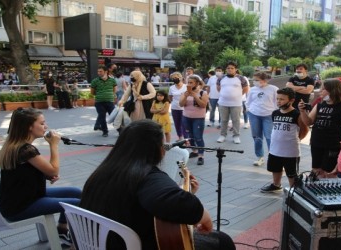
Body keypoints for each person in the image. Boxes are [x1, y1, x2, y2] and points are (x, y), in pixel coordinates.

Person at [79, 119, 235, 250]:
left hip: (96, 243)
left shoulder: (103, 171)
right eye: (163, 145)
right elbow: (175, 201)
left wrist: (188, 194)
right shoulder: (147, 176)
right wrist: (203, 215)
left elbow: (143, 204)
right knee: (222, 241)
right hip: (131, 244)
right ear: (156, 149)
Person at [0, 108, 81, 246]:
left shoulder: (14, 145)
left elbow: (24, 172)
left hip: (21, 198)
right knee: (77, 204)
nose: (46, 127)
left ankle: (61, 229)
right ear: (29, 127)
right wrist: (53, 145)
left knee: (75, 192)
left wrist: (45, 175)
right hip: (21, 206)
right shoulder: (26, 150)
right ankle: (80, 242)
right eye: (42, 123)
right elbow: (54, 171)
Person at [299, 78, 341, 177]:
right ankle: (315, 189)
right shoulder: (320, 105)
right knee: (316, 169)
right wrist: (302, 111)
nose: (320, 91)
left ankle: (325, 189)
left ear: (333, 91)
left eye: (323, 89)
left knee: (328, 171)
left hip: (333, 144)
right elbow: (308, 122)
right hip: (317, 142)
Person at [260, 88, 309, 192]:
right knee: (275, 168)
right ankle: (276, 184)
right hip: (275, 148)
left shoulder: (296, 114)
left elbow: (304, 129)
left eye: (282, 99)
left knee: (291, 172)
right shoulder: (275, 113)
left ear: (291, 100)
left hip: (290, 151)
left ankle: (293, 190)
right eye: (277, 99)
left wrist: (297, 138)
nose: (278, 101)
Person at [246, 72, 278, 167]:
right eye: (254, 80)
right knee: (257, 137)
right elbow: (248, 102)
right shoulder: (252, 89)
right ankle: (260, 157)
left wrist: (275, 113)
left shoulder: (274, 89)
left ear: (264, 80)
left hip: (268, 115)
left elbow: (277, 102)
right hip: (254, 115)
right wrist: (249, 110)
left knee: (269, 137)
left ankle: (273, 157)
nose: (254, 82)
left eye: (256, 80)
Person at [216, 62, 249, 144]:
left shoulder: (241, 78)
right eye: (228, 68)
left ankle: (236, 136)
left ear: (236, 69)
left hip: (236, 103)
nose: (230, 69)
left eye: (232, 68)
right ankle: (223, 135)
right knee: (223, 120)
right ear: (226, 69)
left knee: (236, 120)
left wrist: (237, 95)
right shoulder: (221, 78)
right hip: (223, 103)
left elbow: (246, 88)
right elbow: (218, 88)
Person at [179, 75, 209, 165]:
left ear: (197, 83)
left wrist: (195, 96)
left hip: (198, 118)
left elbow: (203, 105)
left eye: (191, 83)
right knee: (190, 136)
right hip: (186, 117)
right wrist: (185, 96)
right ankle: (194, 151)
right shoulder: (184, 93)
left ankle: (201, 156)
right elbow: (181, 104)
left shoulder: (203, 93)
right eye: (188, 82)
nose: (189, 84)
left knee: (198, 137)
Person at [90, 66, 117, 137]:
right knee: (102, 116)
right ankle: (105, 131)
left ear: (106, 72)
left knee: (114, 116)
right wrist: (100, 94)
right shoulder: (95, 81)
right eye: (98, 71)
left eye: (100, 71)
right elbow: (92, 92)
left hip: (110, 101)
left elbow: (114, 90)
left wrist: (110, 96)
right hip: (99, 102)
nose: (99, 73)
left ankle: (120, 130)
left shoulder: (112, 80)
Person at [168, 72, 188, 140]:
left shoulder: (186, 86)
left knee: (184, 124)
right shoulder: (171, 87)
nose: (174, 79)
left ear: (180, 78)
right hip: (174, 107)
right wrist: (173, 102)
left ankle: (186, 138)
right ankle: (180, 137)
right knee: (177, 123)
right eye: (173, 78)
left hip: (184, 108)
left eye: (176, 78)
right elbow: (170, 97)